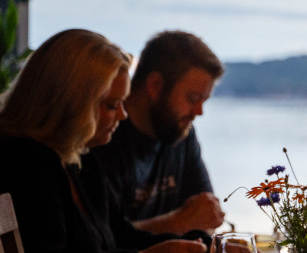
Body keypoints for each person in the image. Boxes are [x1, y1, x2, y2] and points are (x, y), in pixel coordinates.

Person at [0, 29, 208, 253]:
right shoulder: (26, 165)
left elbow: (121, 235)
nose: (123, 115)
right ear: (70, 101)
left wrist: (204, 247)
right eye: (112, 104)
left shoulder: (78, 158)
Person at [84, 30, 225, 235]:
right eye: (193, 98)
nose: (199, 112)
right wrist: (178, 222)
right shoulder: (103, 137)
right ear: (155, 85)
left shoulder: (181, 133)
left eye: (204, 101)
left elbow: (205, 216)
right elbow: (104, 242)